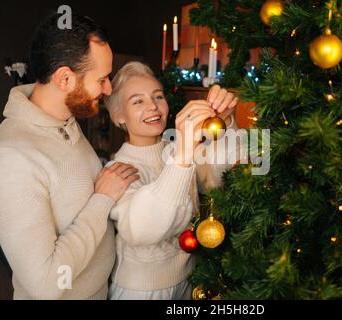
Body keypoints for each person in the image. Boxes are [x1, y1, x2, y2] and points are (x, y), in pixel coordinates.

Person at [0, 13, 139, 299]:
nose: (108, 89)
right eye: (102, 79)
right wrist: (103, 199)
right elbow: (46, 284)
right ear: (65, 78)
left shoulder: (65, 120)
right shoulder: (9, 157)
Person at [104, 61, 244, 300]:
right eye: (138, 101)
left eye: (158, 97)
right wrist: (184, 153)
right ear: (119, 116)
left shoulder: (177, 149)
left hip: (189, 280)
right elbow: (144, 229)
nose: (153, 107)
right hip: (140, 291)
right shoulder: (117, 169)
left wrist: (225, 123)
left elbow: (218, 179)